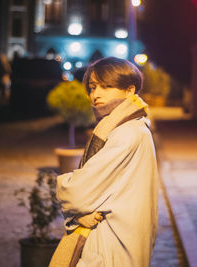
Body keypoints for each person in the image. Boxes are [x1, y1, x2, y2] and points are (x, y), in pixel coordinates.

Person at [55, 57, 159, 266]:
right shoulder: (129, 128)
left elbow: (77, 191)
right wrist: (80, 214)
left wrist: (64, 189)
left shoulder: (127, 133)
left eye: (106, 86)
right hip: (116, 241)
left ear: (130, 90)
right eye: (92, 88)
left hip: (111, 244)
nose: (96, 95)